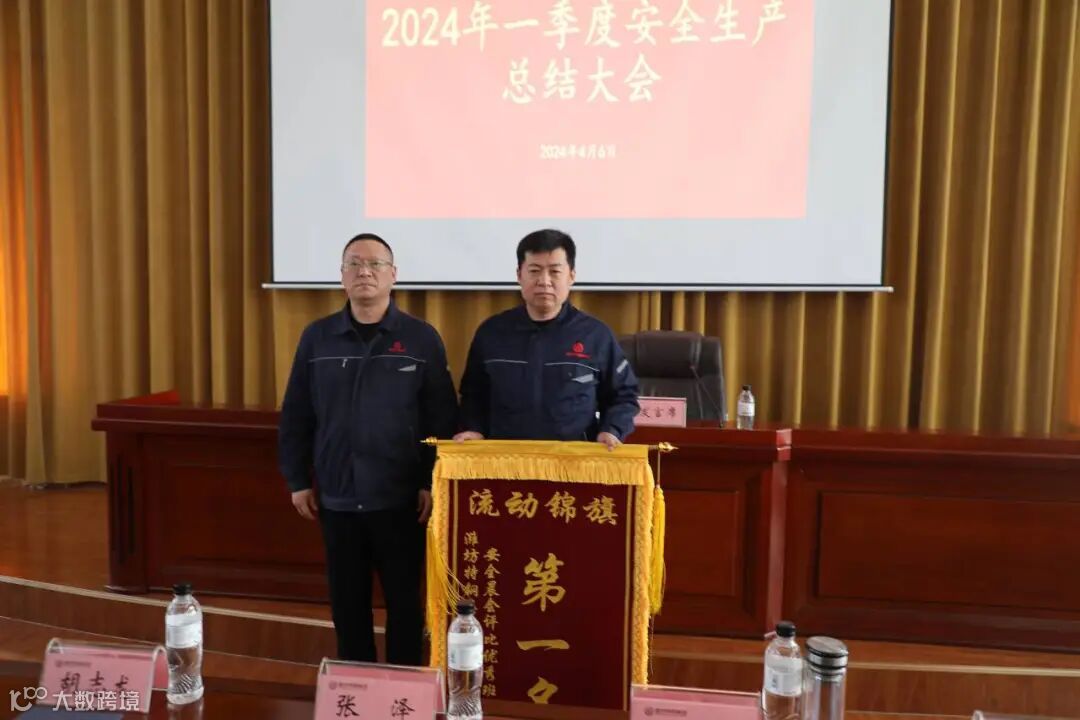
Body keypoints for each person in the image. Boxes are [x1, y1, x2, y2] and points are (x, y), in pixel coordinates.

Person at [278, 233, 457, 665]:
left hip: (401, 499)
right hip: (337, 498)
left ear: (394, 275)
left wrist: (430, 482)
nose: (365, 272)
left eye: (376, 264)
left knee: (405, 605)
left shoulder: (420, 338)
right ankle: (356, 687)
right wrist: (298, 479)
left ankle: (405, 689)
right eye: (354, 264)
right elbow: (297, 414)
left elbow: (441, 420)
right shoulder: (318, 338)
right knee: (348, 607)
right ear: (341, 276)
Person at [455, 229, 639, 446]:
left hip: (574, 459)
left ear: (571, 276)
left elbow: (623, 395)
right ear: (519, 275)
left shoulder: (596, 335)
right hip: (505, 457)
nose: (544, 281)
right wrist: (474, 428)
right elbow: (473, 395)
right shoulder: (491, 332)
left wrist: (612, 430)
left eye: (555, 271)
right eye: (534, 271)